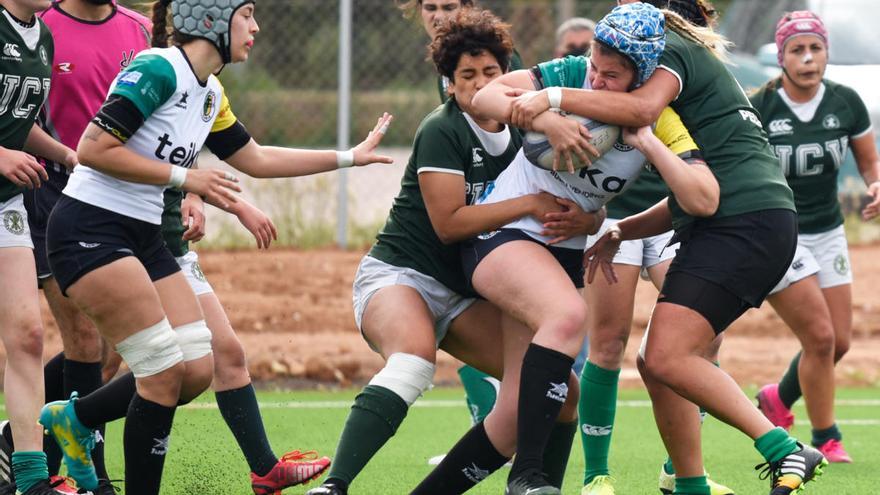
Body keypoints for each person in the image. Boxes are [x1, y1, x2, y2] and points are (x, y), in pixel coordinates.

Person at [36, 1, 393, 494]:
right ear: (210, 18)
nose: (256, 27)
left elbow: (258, 158)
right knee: (161, 371)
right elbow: (95, 149)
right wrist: (188, 178)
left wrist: (349, 157)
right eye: (246, 14)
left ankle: (75, 418)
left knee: (197, 368)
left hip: (141, 236)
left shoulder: (210, 91)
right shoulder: (157, 67)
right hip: (90, 228)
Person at [506, 0, 829, 492]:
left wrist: (552, 98)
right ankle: (690, 484)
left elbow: (642, 113)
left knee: (667, 357)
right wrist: (620, 229)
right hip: (737, 220)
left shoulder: (666, 47)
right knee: (656, 363)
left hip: (743, 223)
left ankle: (784, 447)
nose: (597, 77)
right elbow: (693, 195)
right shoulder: (669, 55)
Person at [307, 9, 586, 495]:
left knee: (559, 391)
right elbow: (450, 224)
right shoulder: (443, 129)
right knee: (413, 360)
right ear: (449, 84)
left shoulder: (525, 132)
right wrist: (530, 203)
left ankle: (538, 487)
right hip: (403, 275)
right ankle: (335, 487)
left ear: (510, 77)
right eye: (467, 77)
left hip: (464, 296)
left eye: (491, 74)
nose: (480, 86)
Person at [465, 4, 724, 494]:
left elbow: (702, 197)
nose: (598, 82)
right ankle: (529, 477)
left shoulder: (659, 118)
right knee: (569, 322)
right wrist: (550, 118)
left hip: (565, 245)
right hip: (508, 230)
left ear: (641, 76)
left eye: (612, 75)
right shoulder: (567, 74)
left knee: (543, 399)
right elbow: (485, 97)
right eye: (595, 66)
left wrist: (638, 157)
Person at [564, 2, 730, 494]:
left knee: (701, 340)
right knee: (609, 343)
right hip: (609, 220)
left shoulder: (675, 71)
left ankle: (680, 468)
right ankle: (597, 475)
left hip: (667, 215)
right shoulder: (606, 61)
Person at [751, 10, 880, 464]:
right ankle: (826, 435)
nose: (808, 58)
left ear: (826, 52)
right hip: (780, 234)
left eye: (816, 48)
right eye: (797, 50)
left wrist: (875, 182)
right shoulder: (760, 105)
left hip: (828, 231)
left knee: (838, 342)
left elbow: (869, 161)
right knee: (821, 340)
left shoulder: (845, 101)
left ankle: (778, 398)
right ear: (781, 57)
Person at [399, 0, 525, 431]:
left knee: (540, 354)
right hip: (472, 241)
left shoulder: (490, 63)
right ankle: (489, 428)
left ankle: (509, 435)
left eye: (449, 5)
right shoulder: (451, 79)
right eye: (429, 6)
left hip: (515, 241)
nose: (438, 15)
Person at [0, 0, 81, 493]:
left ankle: (29, 479)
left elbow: (16, 120)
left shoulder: (42, 38)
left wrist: (66, 153)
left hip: (5, 202)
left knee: (29, 335)